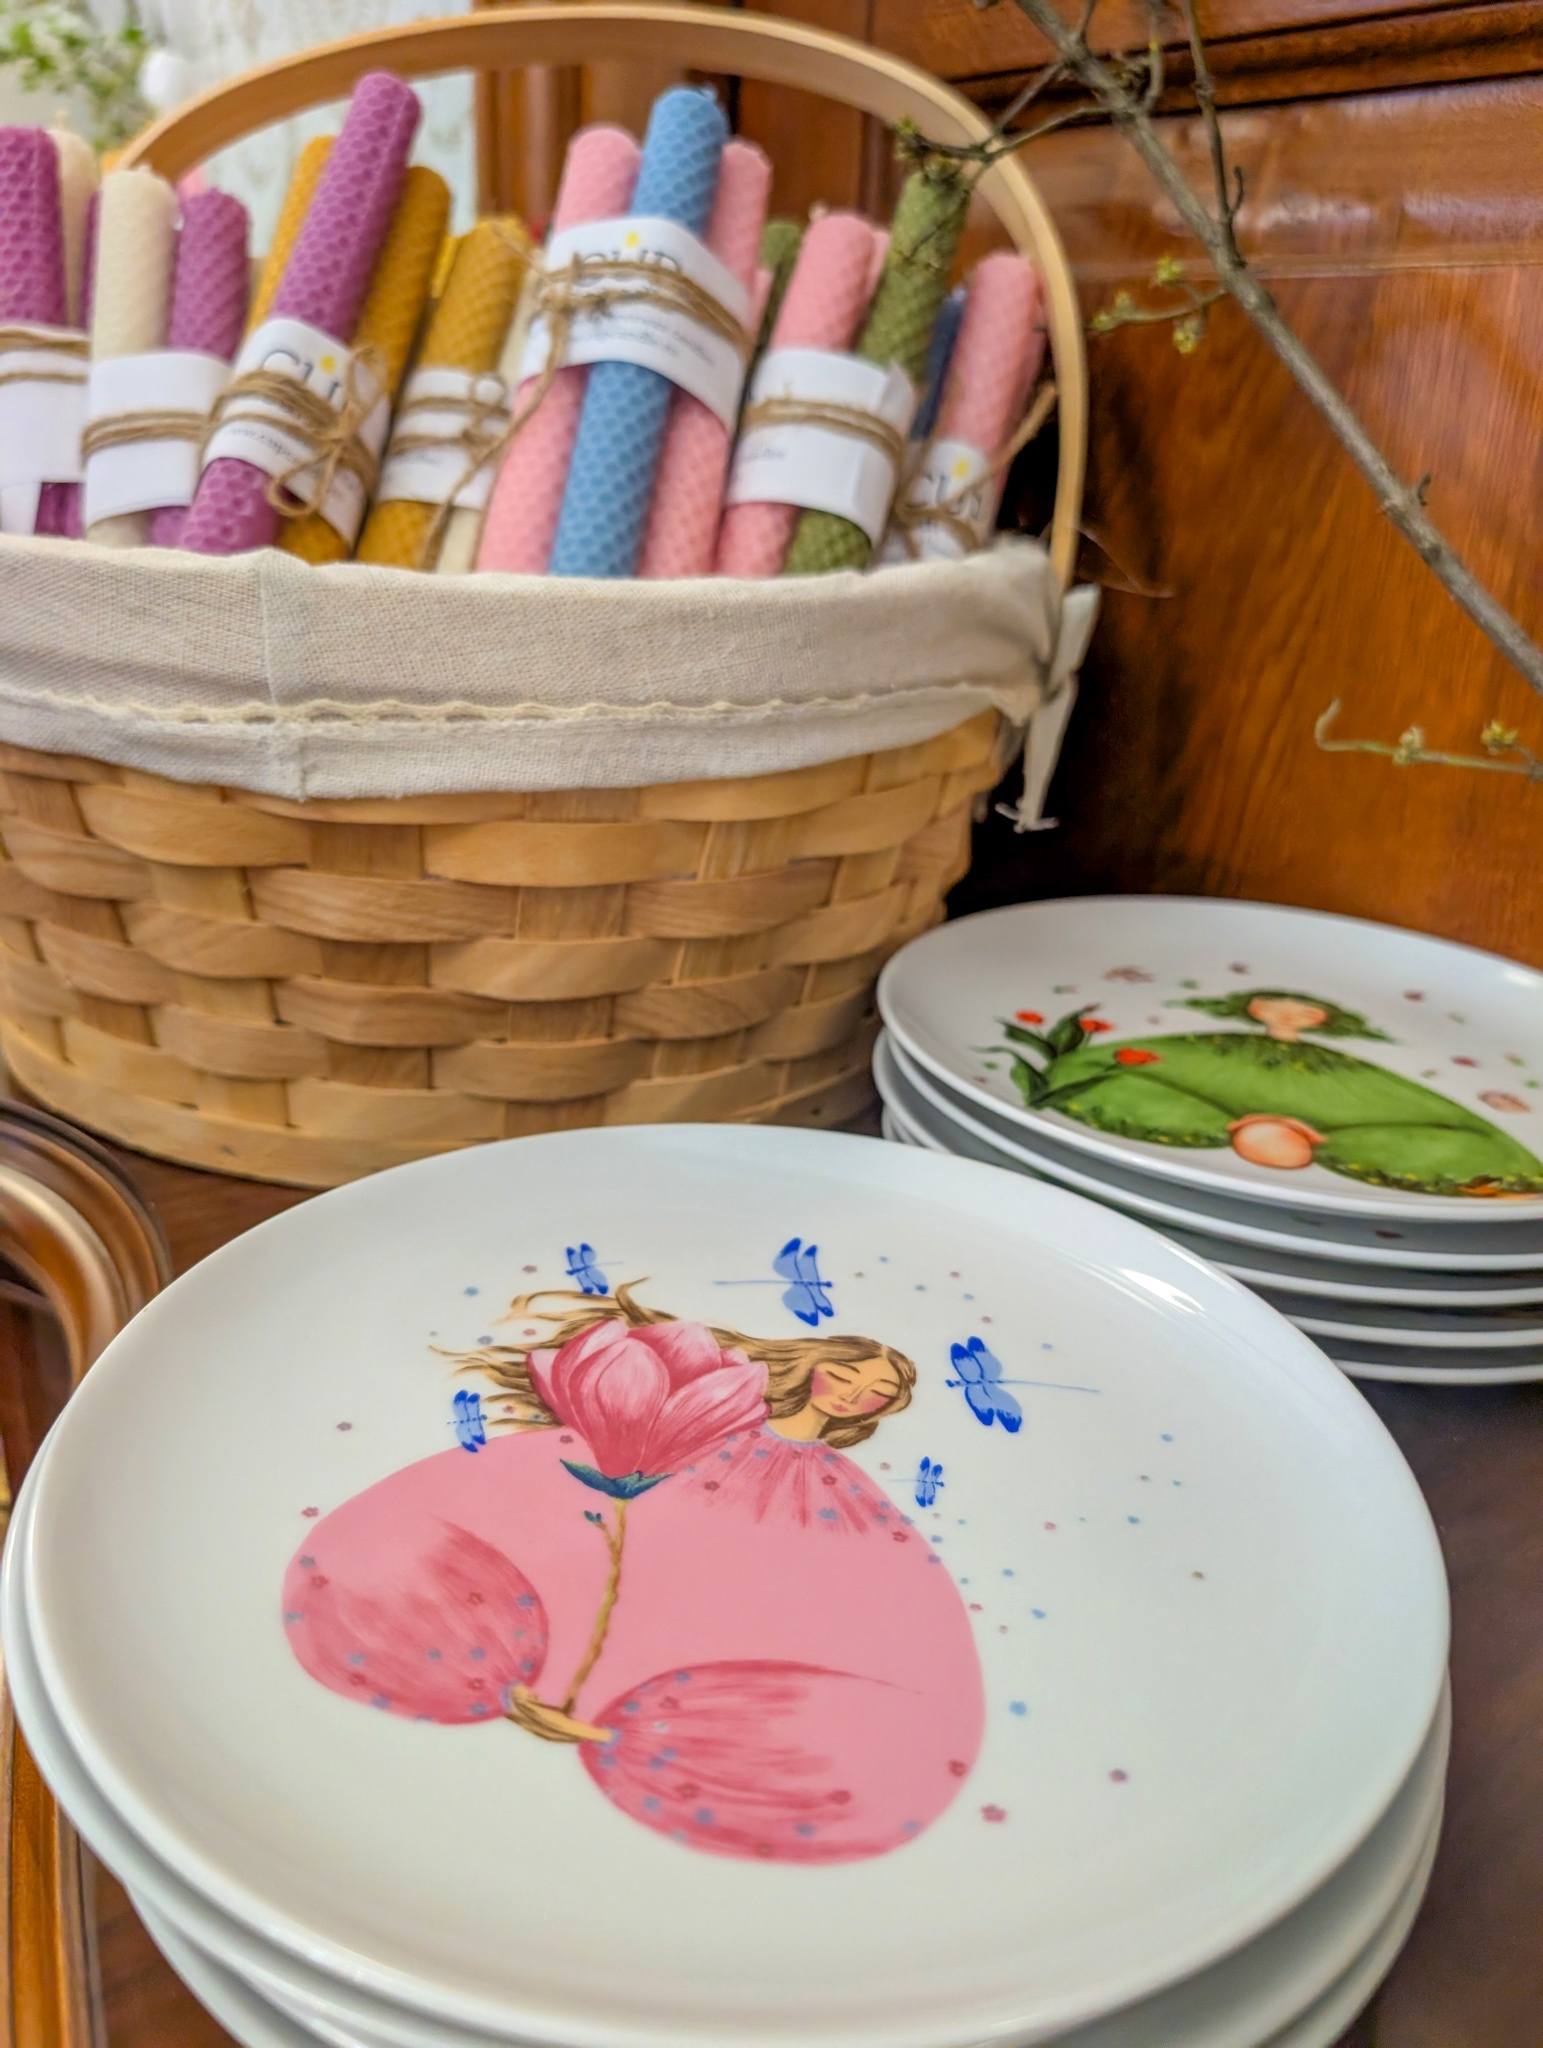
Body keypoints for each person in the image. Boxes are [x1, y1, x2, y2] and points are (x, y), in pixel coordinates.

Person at [282, 1285, 984, 1865]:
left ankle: (614, 1721)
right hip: (681, 1461)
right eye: (851, 1374)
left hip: (794, 1508)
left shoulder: (837, 1492)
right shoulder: (711, 1420)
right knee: (602, 1558)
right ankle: (534, 1687)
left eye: (878, 1394)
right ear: (814, 1365)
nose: (858, 1394)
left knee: (739, 1605)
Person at [1002, 989, 1543, 1197]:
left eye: (1305, 1011)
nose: (1291, 1015)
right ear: (1255, 1008)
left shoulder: (1345, 1071)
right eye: (1278, 1007)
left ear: (1322, 1019)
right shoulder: (1208, 1047)